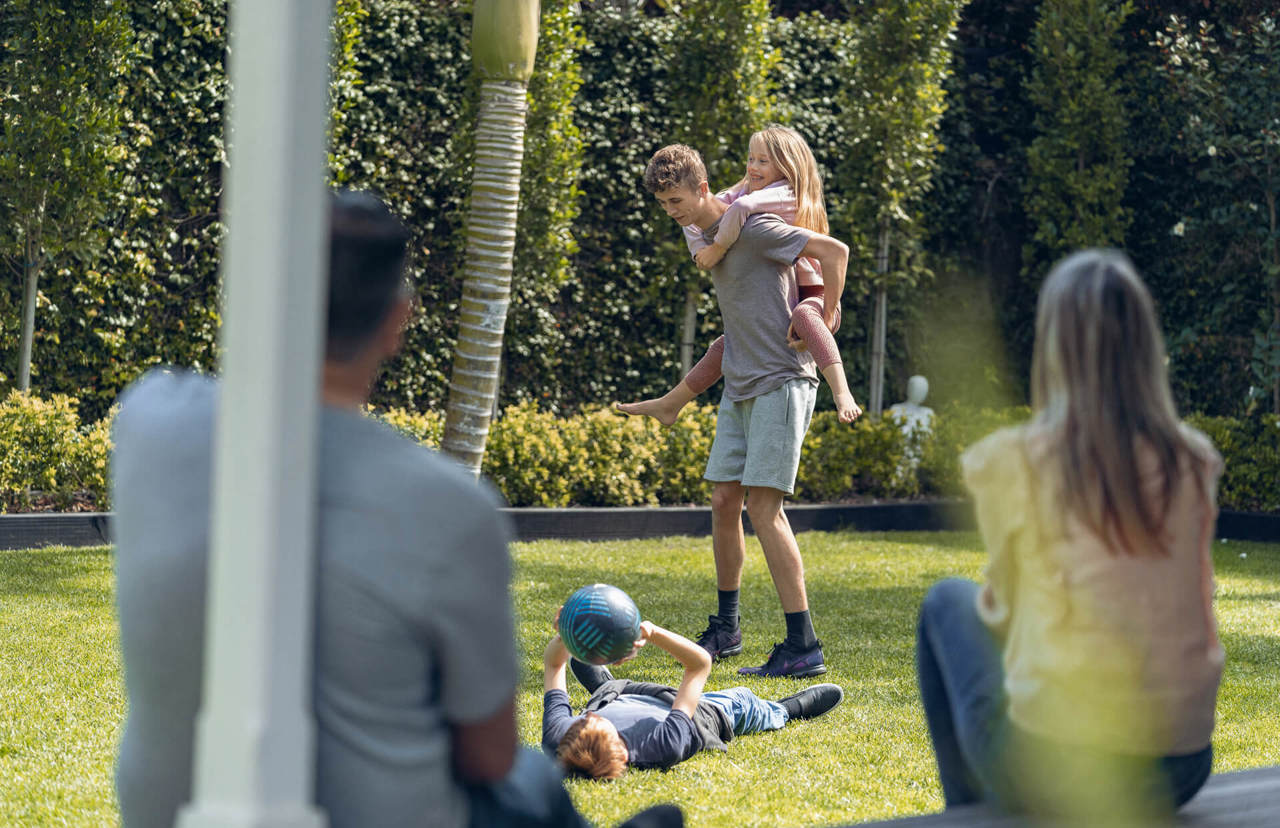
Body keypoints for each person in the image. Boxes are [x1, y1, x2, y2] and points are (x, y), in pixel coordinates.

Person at [113, 191, 667, 828]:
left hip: (167, 812)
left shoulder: (148, 417)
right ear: (395, 320)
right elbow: (486, 756)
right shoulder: (448, 504)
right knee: (527, 779)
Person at [914, 249, 1224, 821]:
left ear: (1052, 343)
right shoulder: (1193, 460)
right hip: (1181, 766)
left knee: (945, 602)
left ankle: (972, 814)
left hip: (1066, 770)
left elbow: (1000, 613)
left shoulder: (1013, 461)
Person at [640, 143, 850, 678]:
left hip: (783, 380)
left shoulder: (756, 229)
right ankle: (727, 628)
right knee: (723, 499)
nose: (673, 212)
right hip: (740, 384)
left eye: (677, 200)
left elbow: (835, 251)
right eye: (664, 204)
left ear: (704, 187)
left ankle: (803, 644)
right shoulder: (708, 236)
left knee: (764, 510)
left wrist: (824, 315)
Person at [616, 126, 861, 426]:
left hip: (817, 296)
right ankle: (672, 403)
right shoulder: (748, 190)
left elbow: (742, 209)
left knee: (804, 317)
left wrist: (828, 311)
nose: (753, 167)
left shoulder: (782, 194)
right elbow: (717, 203)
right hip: (793, 294)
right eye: (751, 158)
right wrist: (697, 243)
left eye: (763, 161)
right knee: (731, 342)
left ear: (786, 166)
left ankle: (842, 391)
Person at [541, 613, 844, 777]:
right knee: (741, 700)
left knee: (587, 669)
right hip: (698, 712)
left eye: (584, 717)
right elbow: (699, 665)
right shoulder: (663, 746)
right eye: (600, 722)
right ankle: (784, 710)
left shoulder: (559, 737)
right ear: (623, 751)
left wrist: (567, 634)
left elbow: (554, 662)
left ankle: (604, 685)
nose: (589, 716)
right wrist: (653, 633)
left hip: (619, 694)